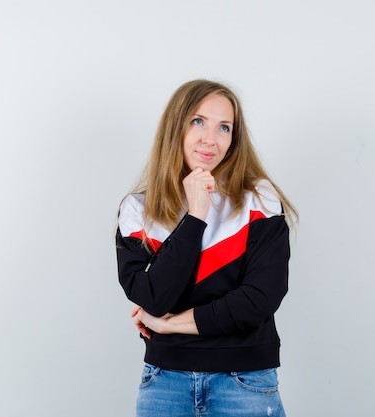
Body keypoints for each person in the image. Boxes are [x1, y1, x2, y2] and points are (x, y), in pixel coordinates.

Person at [115, 79, 297, 417]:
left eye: (224, 127)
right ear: (176, 127)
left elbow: (259, 300)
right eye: (198, 121)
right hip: (164, 384)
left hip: (244, 383)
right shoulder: (137, 209)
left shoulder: (259, 200)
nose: (210, 139)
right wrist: (196, 214)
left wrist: (168, 326)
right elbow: (154, 297)